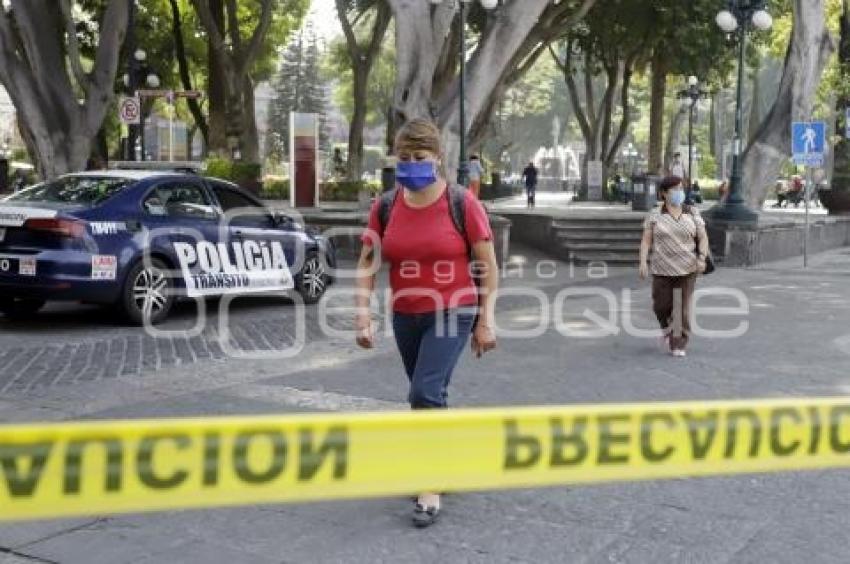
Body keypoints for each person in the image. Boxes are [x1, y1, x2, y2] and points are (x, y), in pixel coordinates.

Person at [355, 118, 499, 528]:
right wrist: (363, 313)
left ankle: (430, 484)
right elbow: (367, 263)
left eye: (419, 157)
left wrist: (486, 320)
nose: (411, 165)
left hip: (454, 309)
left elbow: (487, 266)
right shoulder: (385, 206)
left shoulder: (461, 203)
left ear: (437, 158)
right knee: (428, 397)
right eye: (404, 158)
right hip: (406, 315)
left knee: (425, 390)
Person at [639, 175, 709, 357]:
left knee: (681, 308)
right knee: (660, 306)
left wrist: (701, 257)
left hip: (687, 268)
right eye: (675, 189)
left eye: (681, 188)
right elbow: (646, 241)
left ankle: (678, 343)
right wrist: (642, 262)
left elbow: (703, 237)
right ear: (663, 193)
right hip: (661, 268)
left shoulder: (692, 212)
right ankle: (666, 327)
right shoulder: (655, 214)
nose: (679, 192)